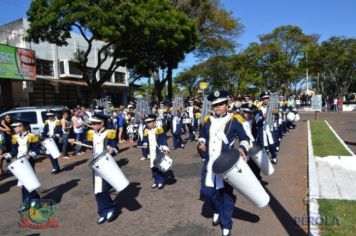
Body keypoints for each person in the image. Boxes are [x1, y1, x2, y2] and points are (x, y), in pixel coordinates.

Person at [197, 90, 250, 236]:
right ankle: (216, 209)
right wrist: (201, 144)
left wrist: (242, 148)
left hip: (226, 165)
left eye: (221, 104)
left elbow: (245, 138)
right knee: (207, 192)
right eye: (215, 105)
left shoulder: (234, 121)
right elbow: (202, 136)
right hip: (209, 164)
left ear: (227, 105)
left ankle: (226, 224)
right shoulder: (208, 121)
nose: (218, 107)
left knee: (226, 194)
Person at [72, 112, 119, 224]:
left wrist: (112, 151)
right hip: (96, 165)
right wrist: (74, 141)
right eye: (92, 123)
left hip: (106, 165)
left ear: (102, 123)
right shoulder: (92, 133)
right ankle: (102, 212)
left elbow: (116, 148)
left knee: (104, 188)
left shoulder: (110, 133)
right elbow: (85, 142)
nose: (92, 125)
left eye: (94, 123)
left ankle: (110, 208)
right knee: (97, 189)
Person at [10, 119, 41, 211]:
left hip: (29, 161)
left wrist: (30, 155)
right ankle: (28, 201)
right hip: (19, 162)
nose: (14, 128)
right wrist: (8, 155)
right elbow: (14, 151)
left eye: (16, 126)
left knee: (28, 181)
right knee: (23, 182)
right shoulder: (15, 137)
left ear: (22, 127)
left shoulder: (33, 136)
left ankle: (31, 201)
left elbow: (36, 149)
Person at [142, 114, 170, 190]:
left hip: (158, 150)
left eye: (150, 122)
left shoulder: (159, 129)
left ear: (154, 122)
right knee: (153, 167)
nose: (148, 124)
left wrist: (165, 148)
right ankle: (156, 180)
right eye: (147, 122)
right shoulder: (145, 130)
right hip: (151, 151)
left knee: (159, 166)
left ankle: (161, 180)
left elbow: (163, 139)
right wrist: (145, 146)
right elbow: (144, 140)